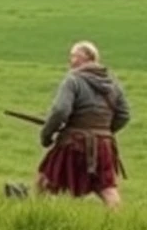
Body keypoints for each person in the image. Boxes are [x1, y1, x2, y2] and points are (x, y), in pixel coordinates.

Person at [37, 41, 130, 209]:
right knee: (107, 188)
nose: (70, 61)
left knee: (45, 180)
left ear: (84, 58)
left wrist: (46, 135)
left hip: (74, 142)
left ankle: (39, 216)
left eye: (73, 56)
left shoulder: (73, 80)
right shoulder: (113, 83)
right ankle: (119, 224)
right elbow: (124, 115)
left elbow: (60, 111)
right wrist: (104, 132)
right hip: (104, 144)